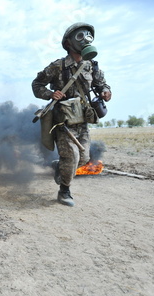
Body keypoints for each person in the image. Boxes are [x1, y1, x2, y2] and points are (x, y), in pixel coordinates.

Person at [32, 22, 111, 207]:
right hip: (63, 122)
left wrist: (107, 92)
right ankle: (64, 191)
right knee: (73, 157)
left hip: (82, 120)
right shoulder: (58, 66)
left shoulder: (92, 67)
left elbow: (102, 85)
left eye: (88, 36)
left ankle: (59, 166)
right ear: (68, 43)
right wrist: (50, 94)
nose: (85, 40)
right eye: (80, 36)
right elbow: (36, 85)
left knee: (83, 158)